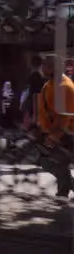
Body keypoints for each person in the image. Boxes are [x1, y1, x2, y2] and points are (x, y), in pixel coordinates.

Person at [36, 54, 74, 199]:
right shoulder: (49, 85)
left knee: (55, 162)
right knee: (56, 164)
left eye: (45, 65)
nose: (42, 68)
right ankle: (62, 193)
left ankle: (62, 193)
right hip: (53, 132)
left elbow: (63, 116)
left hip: (66, 135)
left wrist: (53, 137)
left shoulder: (65, 86)